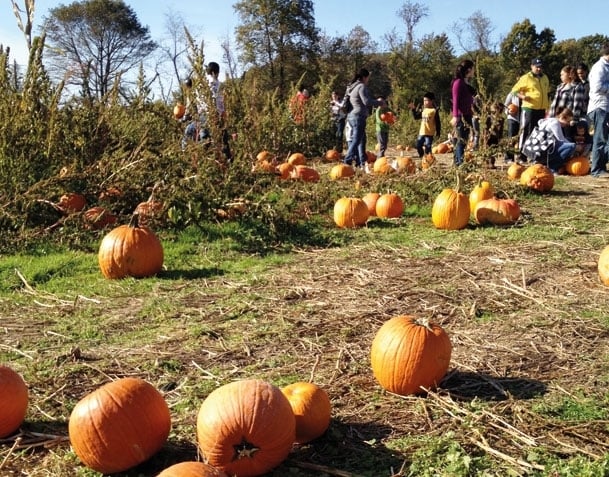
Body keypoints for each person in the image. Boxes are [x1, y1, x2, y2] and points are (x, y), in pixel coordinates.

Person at [181, 62, 232, 163]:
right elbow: (221, 104)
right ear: (215, 72)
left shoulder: (200, 85)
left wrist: (186, 116)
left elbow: (191, 102)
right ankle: (229, 161)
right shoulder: (220, 85)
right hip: (217, 116)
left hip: (204, 116)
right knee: (223, 140)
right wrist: (223, 116)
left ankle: (187, 157)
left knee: (192, 134)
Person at [342, 68, 385, 170]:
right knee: (356, 140)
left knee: (361, 139)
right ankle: (347, 160)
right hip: (358, 116)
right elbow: (366, 101)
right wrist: (379, 102)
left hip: (351, 116)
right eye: (368, 78)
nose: (368, 80)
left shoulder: (352, 87)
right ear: (365, 77)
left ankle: (360, 162)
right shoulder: (361, 86)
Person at [511, 58, 550, 163]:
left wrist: (548, 107)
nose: (538, 68)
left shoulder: (545, 77)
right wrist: (523, 97)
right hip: (529, 108)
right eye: (536, 66)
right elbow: (514, 91)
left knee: (538, 133)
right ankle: (521, 155)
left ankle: (534, 156)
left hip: (541, 109)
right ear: (531, 66)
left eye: (540, 66)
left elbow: (546, 93)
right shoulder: (526, 78)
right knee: (526, 131)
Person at [587, 43, 609, 177]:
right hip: (599, 106)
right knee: (600, 138)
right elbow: (596, 87)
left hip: (606, 107)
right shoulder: (599, 67)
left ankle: (601, 164)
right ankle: (596, 170)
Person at [450, 59, 476, 166]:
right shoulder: (458, 82)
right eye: (473, 69)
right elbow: (455, 100)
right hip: (461, 116)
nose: (474, 71)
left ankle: (457, 162)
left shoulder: (465, 82)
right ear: (469, 69)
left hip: (468, 114)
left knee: (462, 140)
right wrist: (455, 116)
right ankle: (459, 163)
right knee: (460, 140)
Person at [536, 108, 576, 174]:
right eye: (568, 121)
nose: (568, 124)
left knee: (568, 140)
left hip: (540, 149)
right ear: (563, 118)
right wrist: (576, 147)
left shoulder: (549, 120)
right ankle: (553, 167)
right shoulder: (555, 123)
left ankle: (549, 164)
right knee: (572, 146)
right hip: (544, 151)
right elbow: (561, 139)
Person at [408, 91, 441, 158]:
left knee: (428, 146)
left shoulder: (434, 111)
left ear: (432, 101)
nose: (425, 102)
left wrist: (438, 132)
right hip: (422, 132)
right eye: (424, 100)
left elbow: (438, 122)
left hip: (429, 133)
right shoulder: (424, 110)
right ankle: (422, 156)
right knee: (418, 145)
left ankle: (428, 158)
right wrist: (413, 109)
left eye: (426, 100)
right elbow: (416, 117)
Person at [503, 90, 521, 162]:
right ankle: (509, 157)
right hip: (513, 118)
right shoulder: (512, 93)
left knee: (522, 138)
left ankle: (522, 157)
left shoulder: (528, 93)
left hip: (523, 119)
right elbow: (505, 105)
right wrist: (508, 111)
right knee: (511, 138)